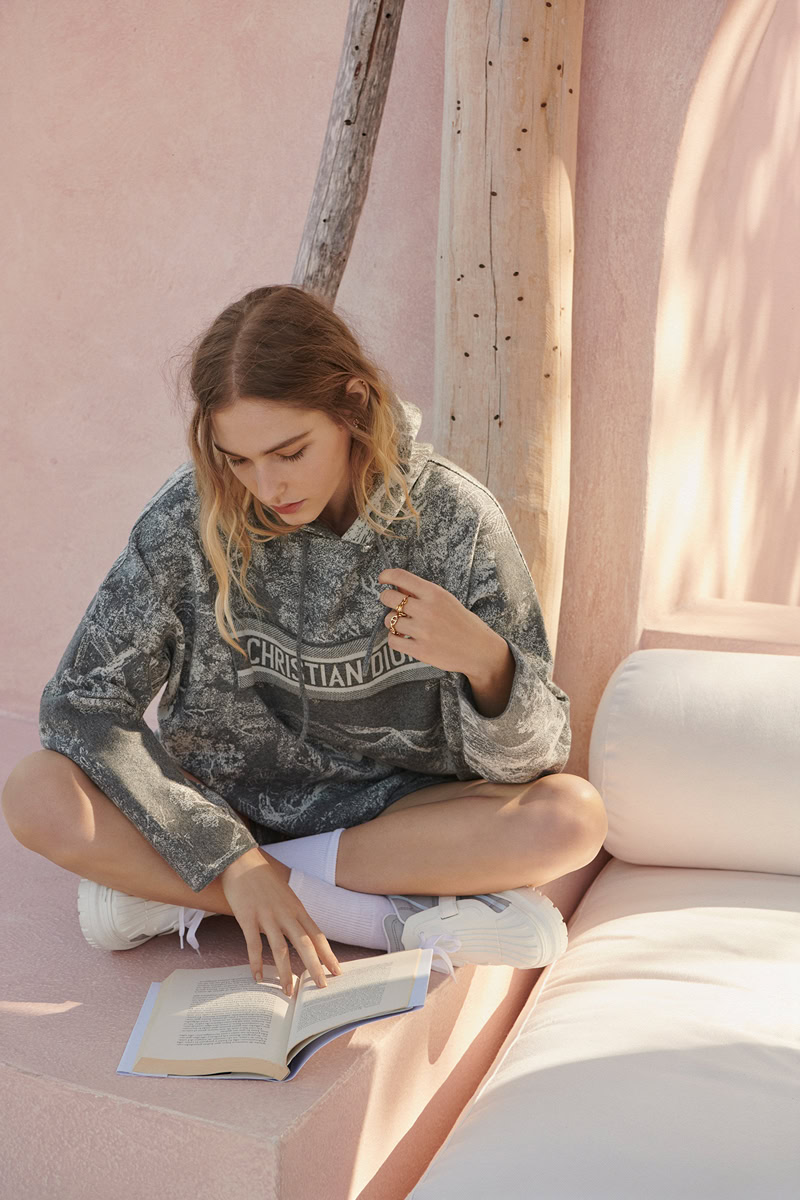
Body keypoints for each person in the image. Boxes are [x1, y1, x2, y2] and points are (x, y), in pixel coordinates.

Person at [1, 285, 607, 997]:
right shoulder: (189, 515)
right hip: (222, 805)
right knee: (36, 792)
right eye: (240, 459)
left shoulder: (455, 519)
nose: (267, 484)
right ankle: (377, 921)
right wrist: (233, 860)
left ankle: (171, 892)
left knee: (571, 818)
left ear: (352, 404)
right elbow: (82, 706)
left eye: (290, 451)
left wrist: (486, 663)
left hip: (395, 826)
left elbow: (536, 760)